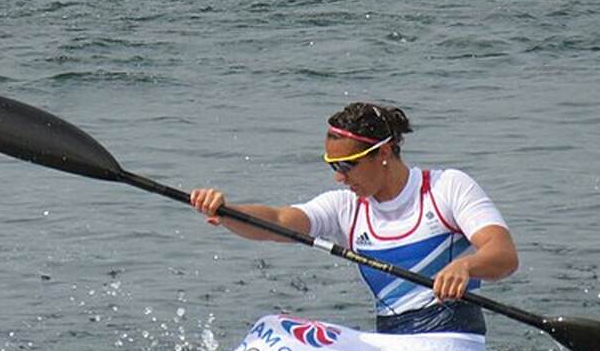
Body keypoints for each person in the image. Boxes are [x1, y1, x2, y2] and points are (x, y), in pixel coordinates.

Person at [190, 103, 517, 335]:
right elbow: (278, 221)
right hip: (394, 348)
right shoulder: (347, 207)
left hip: (456, 341)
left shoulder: (448, 187)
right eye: (333, 166)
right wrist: (226, 211)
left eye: (347, 165)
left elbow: (503, 255)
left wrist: (467, 266)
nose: (339, 178)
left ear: (384, 154)